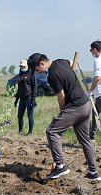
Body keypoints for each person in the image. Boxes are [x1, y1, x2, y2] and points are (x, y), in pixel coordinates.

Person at [29, 52, 100, 180]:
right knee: (85, 140)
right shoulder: (61, 61)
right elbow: (71, 62)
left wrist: (62, 112)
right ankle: (93, 172)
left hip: (75, 107)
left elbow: (61, 96)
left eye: (37, 69)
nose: (38, 72)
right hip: (85, 105)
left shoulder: (52, 76)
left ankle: (60, 166)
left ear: (42, 64)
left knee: (52, 131)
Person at [14, 59, 37, 135]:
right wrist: (17, 98)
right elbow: (19, 87)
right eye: (21, 66)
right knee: (20, 116)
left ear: (27, 66)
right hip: (22, 98)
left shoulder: (31, 74)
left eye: (23, 66)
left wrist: (33, 99)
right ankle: (20, 130)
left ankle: (30, 132)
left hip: (29, 97)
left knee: (29, 115)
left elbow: (34, 87)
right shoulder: (20, 74)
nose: (22, 68)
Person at [89, 41, 101, 140]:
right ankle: (92, 135)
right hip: (98, 94)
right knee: (95, 113)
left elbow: (97, 78)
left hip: (100, 94)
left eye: (91, 50)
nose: (92, 52)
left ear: (95, 49)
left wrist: (90, 91)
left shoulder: (97, 61)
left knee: (97, 113)